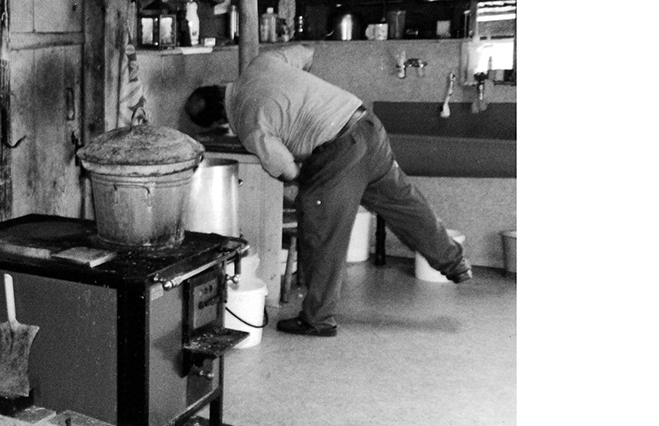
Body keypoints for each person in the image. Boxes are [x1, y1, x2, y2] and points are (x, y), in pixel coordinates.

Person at [185, 44, 471, 337]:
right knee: (403, 203)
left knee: (321, 231)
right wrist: (302, 95)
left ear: (219, 122)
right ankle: (454, 260)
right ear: (219, 87)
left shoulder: (248, 124)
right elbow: (306, 52)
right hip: (366, 125)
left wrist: (309, 184)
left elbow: (286, 168)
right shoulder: (263, 63)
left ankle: (317, 319)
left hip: (338, 151)